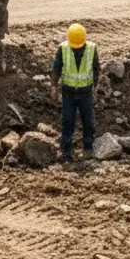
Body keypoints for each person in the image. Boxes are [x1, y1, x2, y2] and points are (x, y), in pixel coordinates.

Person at [51, 23, 102, 164]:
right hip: (68, 93)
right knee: (68, 122)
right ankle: (66, 152)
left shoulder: (91, 48)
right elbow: (56, 69)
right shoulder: (63, 49)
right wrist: (53, 87)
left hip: (86, 93)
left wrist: (96, 88)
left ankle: (88, 147)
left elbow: (97, 69)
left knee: (88, 122)